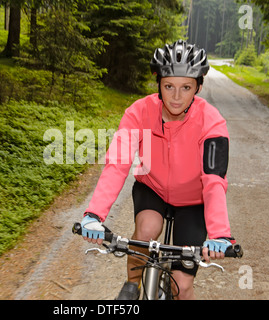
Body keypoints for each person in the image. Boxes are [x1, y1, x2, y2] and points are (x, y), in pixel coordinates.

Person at [80, 40, 236, 300]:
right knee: (146, 230)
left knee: (182, 286)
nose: (176, 97)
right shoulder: (139, 112)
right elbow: (117, 163)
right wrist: (94, 214)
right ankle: (132, 285)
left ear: (198, 86)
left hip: (193, 201)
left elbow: (214, 180)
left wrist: (220, 233)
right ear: (159, 84)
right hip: (151, 188)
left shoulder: (212, 122)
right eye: (169, 87)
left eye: (186, 87)